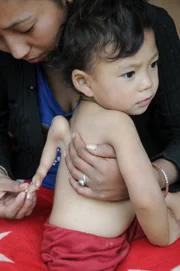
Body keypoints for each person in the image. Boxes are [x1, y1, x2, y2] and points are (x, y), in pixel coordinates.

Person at [28, 1, 180, 270]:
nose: (148, 83)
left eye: (153, 64)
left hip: (62, 240)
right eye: (130, 73)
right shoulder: (118, 123)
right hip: (88, 252)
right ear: (84, 82)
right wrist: (166, 235)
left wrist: (37, 178)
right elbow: (145, 199)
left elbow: (56, 132)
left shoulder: (81, 114)